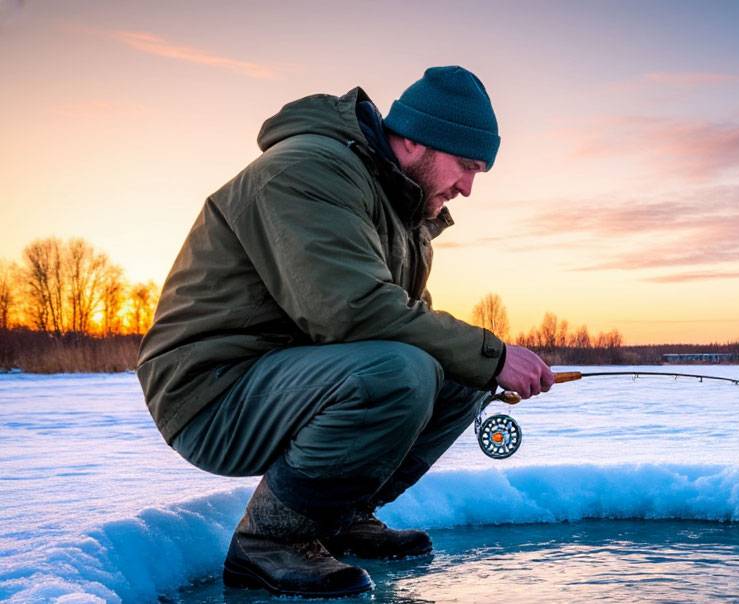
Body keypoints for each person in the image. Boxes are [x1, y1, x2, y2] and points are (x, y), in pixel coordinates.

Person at [137, 66, 554, 598]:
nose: (468, 189)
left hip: (287, 379)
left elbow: (401, 319)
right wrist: (494, 355)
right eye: (465, 166)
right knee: (402, 372)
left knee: (458, 375)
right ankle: (270, 543)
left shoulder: (398, 208)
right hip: (209, 391)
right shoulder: (307, 170)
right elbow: (351, 311)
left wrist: (481, 364)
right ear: (411, 140)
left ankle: (339, 519)